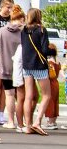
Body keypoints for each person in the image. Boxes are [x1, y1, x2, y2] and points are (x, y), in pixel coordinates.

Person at [0, 4, 26, 132]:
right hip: (21, 67)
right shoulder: (24, 33)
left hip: (5, 66)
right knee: (22, 95)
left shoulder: (1, 32)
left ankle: (11, 121)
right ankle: (22, 122)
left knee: (9, 95)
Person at [22, 7, 53, 136]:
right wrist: (53, 51)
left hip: (27, 65)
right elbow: (45, 50)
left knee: (28, 96)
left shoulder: (24, 30)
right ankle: (37, 121)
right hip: (39, 65)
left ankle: (28, 125)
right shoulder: (41, 30)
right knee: (46, 94)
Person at [47, 43, 61, 131]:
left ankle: (50, 122)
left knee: (50, 102)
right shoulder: (57, 62)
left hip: (51, 83)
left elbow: (50, 75)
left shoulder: (50, 63)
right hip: (56, 82)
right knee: (55, 101)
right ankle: (54, 121)